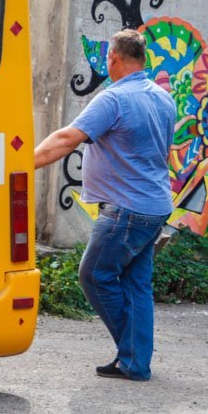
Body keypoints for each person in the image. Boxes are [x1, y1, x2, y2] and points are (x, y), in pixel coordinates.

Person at [34, 29, 177, 381]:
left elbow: (68, 138)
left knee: (94, 275)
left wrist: (17, 163)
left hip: (126, 210)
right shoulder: (163, 98)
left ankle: (132, 353)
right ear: (142, 59)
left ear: (113, 58)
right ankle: (135, 362)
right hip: (156, 205)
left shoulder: (112, 100)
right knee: (136, 284)